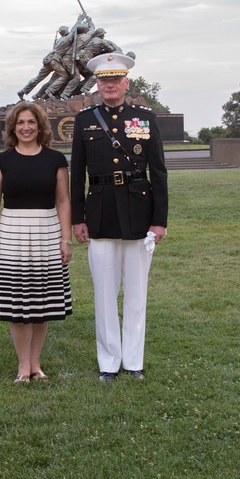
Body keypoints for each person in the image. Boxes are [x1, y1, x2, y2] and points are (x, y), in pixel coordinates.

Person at [70, 52, 168, 381]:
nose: (109, 85)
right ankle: (109, 362)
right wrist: (77, 218)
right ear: (97, 85)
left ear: (126, 83)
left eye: (115, 80)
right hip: (99, 214)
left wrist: (159, 220)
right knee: (104, 293)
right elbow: (77, 174)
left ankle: (134, 361)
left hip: (139, 213)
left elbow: (158, 171)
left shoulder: (144, 117)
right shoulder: (85, 120)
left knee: (137, 292)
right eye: (103, 80)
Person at [0, 102, 72, 383]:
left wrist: (65, 239)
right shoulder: (1, 161)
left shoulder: (56, 160)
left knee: (41, 305)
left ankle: (36, 365)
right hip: (11, 235)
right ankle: (23, 366)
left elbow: (63, 201)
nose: (25, 127)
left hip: (47, 233)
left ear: (40, 126)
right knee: (17, 307)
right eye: (20, 122)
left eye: (31, 122)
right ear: (13, 127)